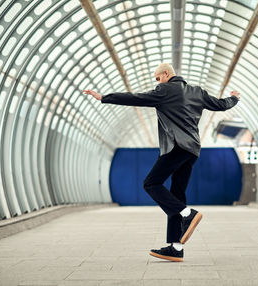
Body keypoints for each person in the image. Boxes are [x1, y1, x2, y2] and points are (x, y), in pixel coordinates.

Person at [83, 63, 240, 262]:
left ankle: (187, 214)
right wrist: (234, 98)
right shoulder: (197, 91)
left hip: (176, 147)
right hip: (192, 149)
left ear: (166, 74)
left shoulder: (164, 90)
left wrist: (104, 97)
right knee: (176, 194)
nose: (157, 82)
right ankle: (176, 247)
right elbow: (220, 104)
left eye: (157, 78)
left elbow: (136, 98)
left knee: (151, 183)